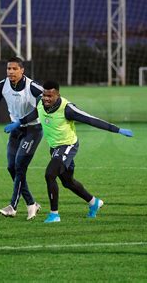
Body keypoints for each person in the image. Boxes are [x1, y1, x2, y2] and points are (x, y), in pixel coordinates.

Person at [14, 80, 133, 223]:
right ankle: (93, 202)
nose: (46, 98)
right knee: (68, 182)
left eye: (50, 96)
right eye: (45, 95)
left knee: (50, 174)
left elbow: (91, 119)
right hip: (54, 147)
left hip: (67, 146)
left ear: (57, 95)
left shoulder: (67, 109)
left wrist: (118, 130)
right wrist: (19, 122)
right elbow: (35, 113)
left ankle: (54, 215)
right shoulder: (41, 102)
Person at [0, 56, 43, 220]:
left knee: (19, 166)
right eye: (8, 69)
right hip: (16, 131)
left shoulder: (33, 86)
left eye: (14, 69)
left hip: (33, 130)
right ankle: (32, 203)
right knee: (11, 167)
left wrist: (20, 122)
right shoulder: (2, 85)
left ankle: (13, 206)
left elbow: (43, 108)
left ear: (22, 70)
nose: (10, 71)